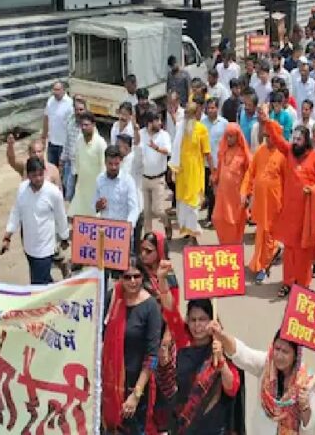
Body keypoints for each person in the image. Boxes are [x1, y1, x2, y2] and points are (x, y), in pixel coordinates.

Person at [260, 104, 315, 296]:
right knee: (289, 250)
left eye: (299, 139)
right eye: (294, 139)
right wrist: (266, 121)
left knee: (304, 252)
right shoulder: (288, 151)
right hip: (290, 212)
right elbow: (276, 138)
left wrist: (313, 190)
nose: (295, 142)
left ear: (306, 142)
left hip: (307, 214)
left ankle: (303, 286)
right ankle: (288, 282)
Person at [208, 325, 315, 435]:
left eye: (285, 352)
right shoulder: (266, 365)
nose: (278, 355)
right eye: (277, 349)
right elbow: (242, 353)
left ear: (296, 355)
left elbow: (313, 428)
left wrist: (305, 408)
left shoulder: (307, 383)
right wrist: (221, 335)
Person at [102, 262, 163, 434]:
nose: (133, 281)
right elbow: (99, 332)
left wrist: (136, 395)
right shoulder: (113, 298)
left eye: (137, 276)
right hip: (110, 384)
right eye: (127, 277)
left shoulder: (150, 307)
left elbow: (152, 356)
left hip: (136, 388)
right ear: (120, 278)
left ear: (143, 277)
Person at [166, 299, 241, 434]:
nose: (197, 325)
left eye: (202, 319)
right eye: (193, 320)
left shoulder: (223, 350)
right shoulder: (182, 352)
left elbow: (232, 388)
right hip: (185, 427)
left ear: (212, 321)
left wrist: (222, 361)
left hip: (214, 428)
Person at [1, 157, 69, 285]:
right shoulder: (22, 190)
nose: (38, 179)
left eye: (40, 174)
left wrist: (64, 237)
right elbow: (16, 212)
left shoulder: (53, 192)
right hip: (29, 247)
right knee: (41, 278)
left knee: (37, 285)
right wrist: (7, 236)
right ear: (28, 175)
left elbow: (61, 216)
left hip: (45, 248)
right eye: (34, 175)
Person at [241, 127, 285, 284]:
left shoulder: (283, 154)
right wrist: (245, 191)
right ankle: (265, 260)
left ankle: (263, 267)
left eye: (271, 136)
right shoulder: (260, 151)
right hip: (260, 203)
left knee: (268, 236)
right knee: (261, 235)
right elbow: (250, 173)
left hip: (275, 204)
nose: (267, 139)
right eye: (266, 136)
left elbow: (288, 181)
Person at [170, 103, 214, 242]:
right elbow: (175, 150)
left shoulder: (202, 129)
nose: (187, 116)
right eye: (186, 114)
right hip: (182, 173)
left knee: (193, 205)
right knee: (182, 205)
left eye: (190, 114)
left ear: (196, 114)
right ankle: (188, 232)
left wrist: (213, 172)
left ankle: (193, 236)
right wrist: (173, 171)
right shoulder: (180, 128)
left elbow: (207, 153)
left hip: (195, 172)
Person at [213, 123, 251, 245]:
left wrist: (248, 194)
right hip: (222, 195)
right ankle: (224, 247)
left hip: (236, 196)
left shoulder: (243, 153)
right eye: (227, 136)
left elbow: (250, 174)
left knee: (234, 223)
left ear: (237, 137)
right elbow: (218, 170)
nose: (229, 139)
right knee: (218, 219)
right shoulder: (223, 151)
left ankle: (234, 250)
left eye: (232, 136)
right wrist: (214, 181)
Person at [139, 110, 173, 240]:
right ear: (149, 123)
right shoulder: (141, 134)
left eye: (160, 120)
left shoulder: (164, 135)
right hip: (144, 178)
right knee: (146, 212)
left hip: (158, 179)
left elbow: (168, 151)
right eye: (157, 120)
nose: (160, 123)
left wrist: (156, 148)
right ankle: (148, 236)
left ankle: (167, 223)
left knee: (157, 210)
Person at [68, 112, 107, 218]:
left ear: (93, 125)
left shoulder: (100, 143)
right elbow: (76, 164)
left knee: (94, 219)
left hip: (96, 188)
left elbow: (103, 168)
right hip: (82, 187)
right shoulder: (79, 141)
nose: (84, 128)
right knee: (78, 217)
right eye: (82, 125)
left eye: (87, 125)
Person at [95, 146, 140, 233]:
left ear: (120, 162)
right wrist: (98, 206)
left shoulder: (128, 181)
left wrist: (127, 228)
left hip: (123, 233)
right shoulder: (100, 179)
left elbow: (134, 209)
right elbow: (94, 206)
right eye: (110, 164)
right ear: (105, 162)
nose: (113, 167)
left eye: (116, 164)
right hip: (105, 231)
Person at [202, 98, 229, 227]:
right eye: (209, 108)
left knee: (219, 192)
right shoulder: (202, 123)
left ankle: (215, 217)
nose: (211, 110)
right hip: (206, 164)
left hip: (220, 163)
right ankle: (212, 215)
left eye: (213, 108)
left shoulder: (224, 123)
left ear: (217, 108)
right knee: (209, 192)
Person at [59, 96, 88, 201]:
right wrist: (62, 161)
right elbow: (67, 144)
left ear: (85, 110)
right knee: (68, 194)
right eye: (76, 109)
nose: (78, 112)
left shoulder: (89, 127)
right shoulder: (70, 123)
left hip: (83, 167)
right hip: (70, 165)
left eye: (81, 109)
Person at [41, 80, 73, 166]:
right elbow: (46, 118)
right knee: (51, 168)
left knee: (62, 171)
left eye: (58, 90)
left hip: (64, 145)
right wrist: (43, 137)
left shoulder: (69, 104)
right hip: (52, 143)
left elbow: (72, 125)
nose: (56, 92)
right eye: (54, 90)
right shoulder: (50, 101)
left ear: (64, 90)